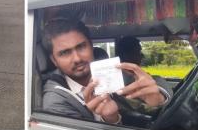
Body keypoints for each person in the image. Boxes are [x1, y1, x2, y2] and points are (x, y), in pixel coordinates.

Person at [42, 18, 171, 124]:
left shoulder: (109, 70)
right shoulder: (55, 102)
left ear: (91, 46)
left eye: (81, 46)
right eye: (65, 53)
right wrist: (110, 120)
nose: (77, 58)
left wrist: (159, 97)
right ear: (54, 60)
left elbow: (157, 81)